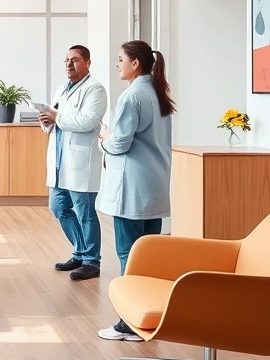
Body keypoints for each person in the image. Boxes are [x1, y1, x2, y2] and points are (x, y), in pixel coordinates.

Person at [95, 40, 175, 342]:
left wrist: (105, 138)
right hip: (154, 186)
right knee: (149, 256)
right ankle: (147, 318)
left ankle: (127, 323)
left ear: (135, 63)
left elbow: (120, 143)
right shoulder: (158, 93)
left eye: (120, 59)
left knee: (129, 255)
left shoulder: (132, 96)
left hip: (132, 189)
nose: (117, 65)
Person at [38, 45, 108, 282]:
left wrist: (57, 117)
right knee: (58, 207)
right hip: (59, 161)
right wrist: (46, 120)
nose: (69, 64)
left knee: (85, 212)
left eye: (75, 60)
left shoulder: (95, 89)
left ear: (87, 62)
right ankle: (80, 252)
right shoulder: (61, 90)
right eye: (66, 60)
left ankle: (91, 261)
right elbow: (55, 121)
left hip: (80, 162)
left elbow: (88, 121)